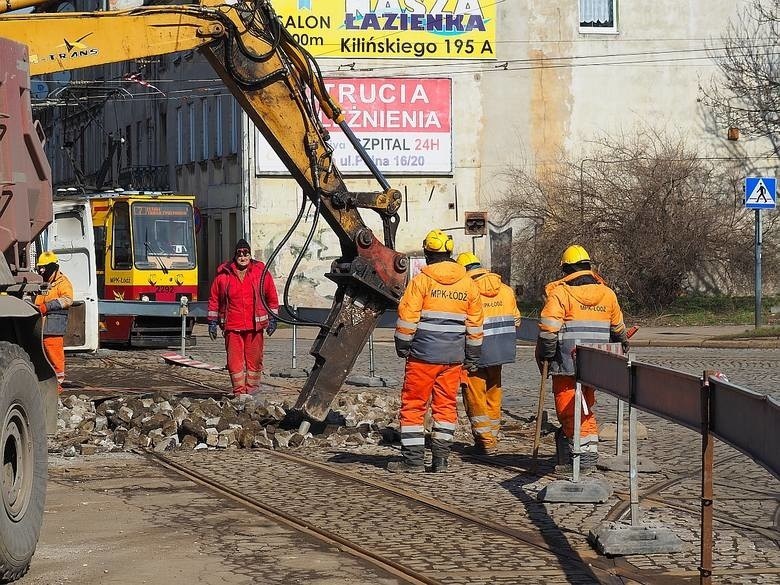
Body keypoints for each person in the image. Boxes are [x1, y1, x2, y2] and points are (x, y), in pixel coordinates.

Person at [390, 229, 484, 473]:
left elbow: (408, 316)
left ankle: (412, 461)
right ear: (449, 253)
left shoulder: (422, 281)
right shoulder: (468, 284)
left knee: (414, 405)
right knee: (446, 406)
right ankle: (440, 460)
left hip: (423, 356)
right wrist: (472, 356)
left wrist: (402, 343)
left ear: (427, 253)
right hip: (453, 358)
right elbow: (475, 324)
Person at [535, 244, 628, 469]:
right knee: (585, 404)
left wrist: (547, 355)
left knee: (569, 408)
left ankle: (584, 459)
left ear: (566, 269)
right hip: (595, 364)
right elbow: (618, 330)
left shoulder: (561, 293)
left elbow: (549, 329)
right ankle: (581, 453)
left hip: (567, 363)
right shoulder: (607, 294)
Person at [456, 252, 521, 455]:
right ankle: (493, 434)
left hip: (475, 353)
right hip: (500, 351)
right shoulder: (506, 290)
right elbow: (516, 320)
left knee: (474, 397)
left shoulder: (466, 290)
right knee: (494, 394)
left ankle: (485, 441)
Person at [207, 239, 279, 396]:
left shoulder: (261, 273)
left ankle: (252, 391)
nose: (243, 256)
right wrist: (212, 321)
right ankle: (239, 393)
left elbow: (272, 297)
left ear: (250, 254)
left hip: (255, 326)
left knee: (254, 361)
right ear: (235, 255)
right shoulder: (223, 276)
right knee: (234, 362)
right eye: (239, 253)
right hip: (232, 326)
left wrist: (273, 318)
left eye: (245, 253)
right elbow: (214, 300)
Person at [34, 251, 74, 393]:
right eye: (40, 268)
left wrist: (48, 306)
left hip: (54, 326)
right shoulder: (41, 282)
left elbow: (68, 299)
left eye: (44, 268)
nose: (41, 271)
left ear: (52, 266)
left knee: (54, 355)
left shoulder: (62, 282)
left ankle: (57, 383)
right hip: (41, 325)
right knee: (42, 355)